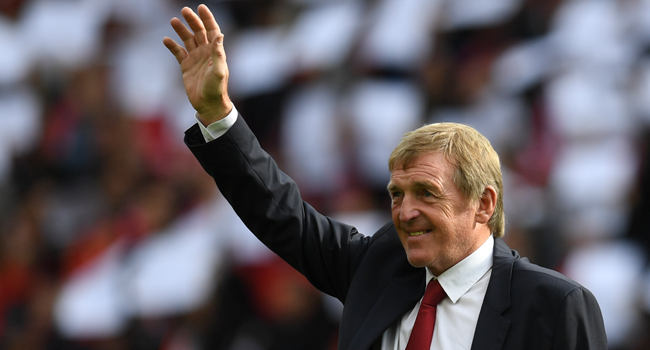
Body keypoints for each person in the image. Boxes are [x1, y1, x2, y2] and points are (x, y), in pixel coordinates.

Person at [163, 5, 607, 350]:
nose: (405, 211)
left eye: (426, 193)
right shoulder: (378, 267)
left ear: (484, 204)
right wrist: (217, 114)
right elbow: (280, 212)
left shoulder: (553, 304)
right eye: (397, 193)